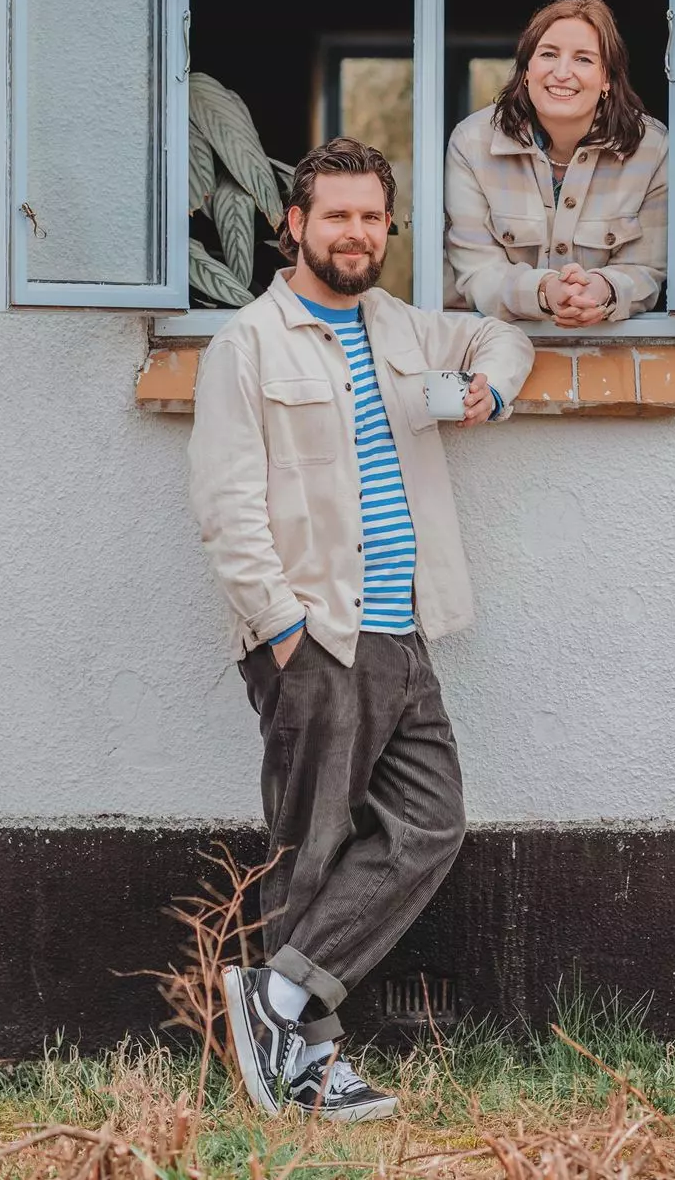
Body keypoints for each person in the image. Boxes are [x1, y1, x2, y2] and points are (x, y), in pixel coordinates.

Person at [187, 138, 533, 1121]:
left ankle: (283, 995)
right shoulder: (247, 345)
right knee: (312, 847)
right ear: (294, 224)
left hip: (403, 630)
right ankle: (309, 1067)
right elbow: (226, 505)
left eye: (373, 217)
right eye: (336, 216)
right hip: (315, 635)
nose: (356, 233)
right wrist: (282, 631)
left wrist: (489, 389)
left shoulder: (396, 325)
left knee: (429, 821)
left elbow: (501, 337)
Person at [444, 0, 668, 325]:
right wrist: (544, 291)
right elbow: (477, 272)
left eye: (584, 59)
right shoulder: (472, 143)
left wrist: (602, 290)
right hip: (495, 344)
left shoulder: (652, 148)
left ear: (607, 78)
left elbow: (647, 270)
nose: (562, 72)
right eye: (548, 54)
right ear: (526, 71)